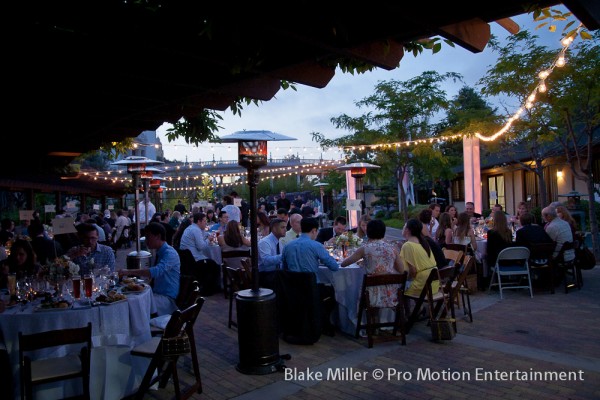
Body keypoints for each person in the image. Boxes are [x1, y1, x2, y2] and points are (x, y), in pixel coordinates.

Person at [281, 217, 340, 336]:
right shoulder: (316, 245)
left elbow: (284, 268)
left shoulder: (288, 246)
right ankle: (324, 323)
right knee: (332, 292)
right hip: (311, 288)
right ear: (314, 230)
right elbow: (334, 266)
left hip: (292, 289)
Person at [119, 222, 180, 316]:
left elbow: (155, 272)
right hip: (156, 294)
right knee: (127, 300)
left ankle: (141, 329)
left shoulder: (170, 253)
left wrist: (128, 271)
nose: (146, 241)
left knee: (132, 306)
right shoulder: (160, 252)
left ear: (158, 236)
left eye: (148, 237)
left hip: (167, 300)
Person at [341, 219, 402, 309]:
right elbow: (401, 270)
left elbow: (344, 264)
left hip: (372, 293)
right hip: (392, 293)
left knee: (352, 288)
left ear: (368, 232)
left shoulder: (364, 248)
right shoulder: (393, 248)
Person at [179, 212, 220, 295]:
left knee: (212, 263)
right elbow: (201, 247)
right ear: (199, 221)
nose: (206, 223)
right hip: (194, 260)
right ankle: (209, 290)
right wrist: (209, 239)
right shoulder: (195, 230)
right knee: (215, 265)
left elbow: (204, 234)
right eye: (204, 221)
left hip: (187, 259)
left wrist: (209, 235)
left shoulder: (191, 228)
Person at [399, 219, 439, 298]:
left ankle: (410, 310)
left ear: (407, 230)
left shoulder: (408, 245)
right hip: (433, 285)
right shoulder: (424, 243)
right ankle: (417, 308)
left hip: (421, 286)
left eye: (403, 227)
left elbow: (412, 272)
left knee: (396, 288)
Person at [258, 218, 288, 289]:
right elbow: (266, 261)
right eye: (282, 227)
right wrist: (284, 256)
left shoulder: (279, 242)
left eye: (286, 227)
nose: (285, 230)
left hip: (276, 274)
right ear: (274, 228)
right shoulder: (265, 242)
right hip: (265, 275)